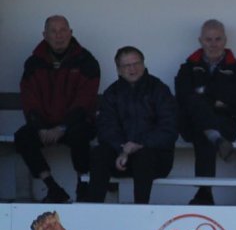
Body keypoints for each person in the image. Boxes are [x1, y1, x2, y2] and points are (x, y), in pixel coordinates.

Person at [15, 15, 100, 203]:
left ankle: (83, 185)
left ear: (71, 33)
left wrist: (63, 127)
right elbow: (29, 99)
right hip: (44, 126)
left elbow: (85, 100)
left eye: (63, 30)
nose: (58, 35)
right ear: (44, 35)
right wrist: (40, 127)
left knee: (81, 134)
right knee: (22, 137)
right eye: (53, 31)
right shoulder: (33, 63)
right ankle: (53, 188)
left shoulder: (86, 61)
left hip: (75, 123)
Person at [88, 47, 178, 204]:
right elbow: (106, 128)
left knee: (144, 156)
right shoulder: (112, 93)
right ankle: (93, 210)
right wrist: (122, 148)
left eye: (136, 63)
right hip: (120, 157)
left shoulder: (159, 90)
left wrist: (139, 145)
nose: (132, 69)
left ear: (143, 64)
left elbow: (169, 129)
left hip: (155, 159)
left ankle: (140, 211)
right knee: (99, 153)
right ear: (118, 69)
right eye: (126, 65)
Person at [174, 19, 236, 205]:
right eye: (209, 39)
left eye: (217, 39)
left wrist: (202, 93)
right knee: (194, 105)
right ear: (200, 41)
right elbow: (183, 97)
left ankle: (204, 194)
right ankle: (216, 139)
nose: (213, 44)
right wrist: (215, 100)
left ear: (225, 40)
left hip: (226, 126)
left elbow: (234, 99)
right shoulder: (187, 68)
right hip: (192, 126)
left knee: (203, 131)